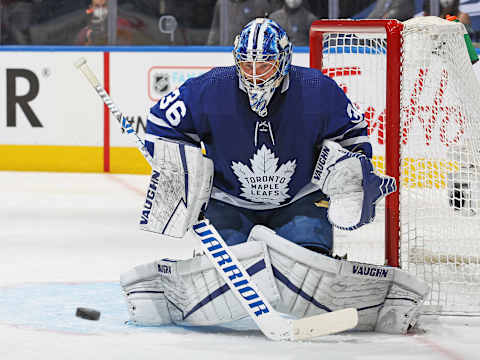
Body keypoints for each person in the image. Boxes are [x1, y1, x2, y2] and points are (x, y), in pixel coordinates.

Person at [120, 18, 429, 334]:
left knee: (308, 267)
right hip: (229, 202)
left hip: (300, 200)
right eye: (246, 64)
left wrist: (351, 172)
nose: (254, 74)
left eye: (264, 65)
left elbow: (353, 137)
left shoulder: (317, 89)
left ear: (283, 61)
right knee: (226, 271)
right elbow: (161, 123)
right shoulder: (211, 88)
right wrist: (182, 170)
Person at [206, 0, 279, 45]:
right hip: (224, 52)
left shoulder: (260, 3)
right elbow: (215, 29)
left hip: (249, 55)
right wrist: (209, 48)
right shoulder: (222, 3)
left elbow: (269, 30)